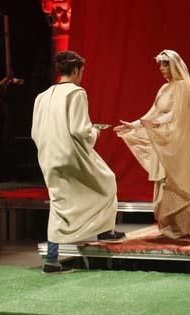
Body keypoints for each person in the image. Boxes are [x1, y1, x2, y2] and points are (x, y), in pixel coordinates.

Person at [115, 50, 190, 238]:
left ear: (174, 65)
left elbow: (178, 114)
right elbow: (153, 113)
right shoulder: (163, 89)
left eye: (165, 64)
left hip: (176, 142)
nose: (162, 69)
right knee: (163, 183)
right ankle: (169, 225)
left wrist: (157, 123)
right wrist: (134, 125)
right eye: (160, 65)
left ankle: (181, 226)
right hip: (163, 141)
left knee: (175, 183)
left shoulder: (183, 87)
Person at [32, 51, 123, 273]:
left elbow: (35, 131)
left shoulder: (41, 96)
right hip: (70, 154)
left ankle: (52, 258)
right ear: (74, 70)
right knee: (107, 180)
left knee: (59, 201)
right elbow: (79, 129)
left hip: (48, 155)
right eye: (81, 71)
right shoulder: (76, 93)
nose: (82, 75)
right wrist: (94, 132)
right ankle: (105, 231)